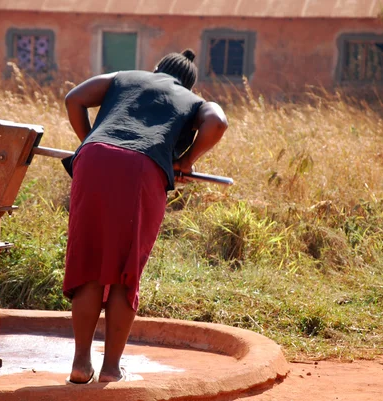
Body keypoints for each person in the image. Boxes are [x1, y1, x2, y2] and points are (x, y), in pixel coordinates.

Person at [62, 49, 228, 384]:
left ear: (156, 69)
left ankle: (80, 364)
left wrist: (90, 141)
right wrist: (186, 160)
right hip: (142, 169)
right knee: (126, 270)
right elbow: (218, 122)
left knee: (89, 263)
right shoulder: (192, 100)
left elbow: (74, 98)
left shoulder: (124, 77)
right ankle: (110, 368)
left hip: (93, 160)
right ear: (188, 82)